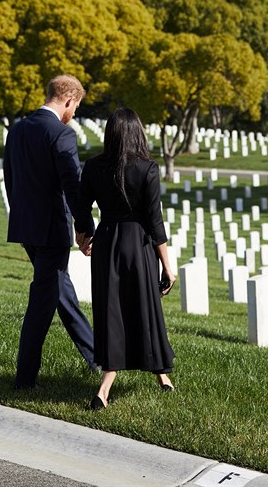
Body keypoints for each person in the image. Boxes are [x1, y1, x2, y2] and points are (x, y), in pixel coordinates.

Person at [76, 107, 176, 410]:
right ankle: (148, 376)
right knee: (145, 309)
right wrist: (168, 268)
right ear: (137, 133)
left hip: (107, 242)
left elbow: (81, 206)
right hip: (139, 246)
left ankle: (113, 385)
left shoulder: (93, 167)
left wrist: (85, 235)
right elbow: (154, 221)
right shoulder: (147, 168)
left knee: (112, 312)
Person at [3, 74, 97, 390]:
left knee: (61, 292)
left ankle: (96, 357)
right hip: (51, 230)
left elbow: (10, 179)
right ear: (68, 100)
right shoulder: (61, 134)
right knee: (42, 304)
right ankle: (25, 379)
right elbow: (72, 185)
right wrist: (86, 228)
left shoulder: (17, 130)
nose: (75, 114)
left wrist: (21, 219)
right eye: (76, 107)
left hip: (26, 227)